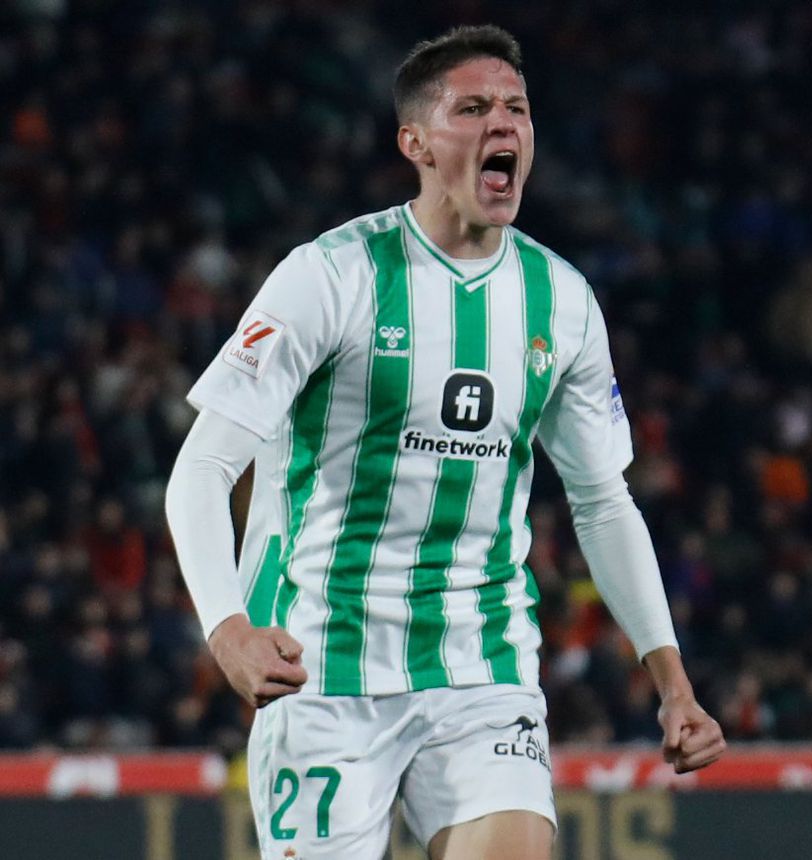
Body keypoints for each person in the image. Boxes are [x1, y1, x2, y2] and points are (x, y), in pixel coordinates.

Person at [165, 24, 725, 860]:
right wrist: (229, 631)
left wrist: (671, 680)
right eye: (472, 108)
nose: (503, 123)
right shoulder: (332, 276)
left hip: (482, 668)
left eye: (516, 108)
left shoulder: (562, 301)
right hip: (323, 666)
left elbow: (604, 501)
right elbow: (202, 469)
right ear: (416, 144)